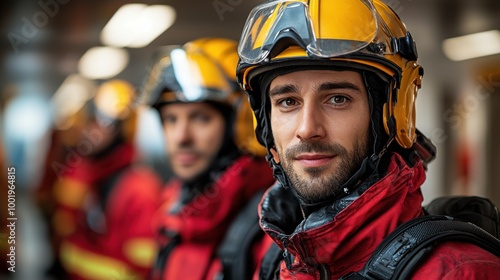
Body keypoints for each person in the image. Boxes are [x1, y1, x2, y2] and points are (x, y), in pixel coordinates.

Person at [235, 0, 500, 279]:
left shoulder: (459, 272)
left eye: (338, 99)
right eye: (288, 102)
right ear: (264, 124)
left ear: (392, 115)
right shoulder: (280, 261)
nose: (307, 128)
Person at [139, 37, 275, 280]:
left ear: (240, 124)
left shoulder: (273, 225)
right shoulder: (171, 205)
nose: (181, 137)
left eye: (201, 118)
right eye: (171, 119)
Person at [54, 79, 164, 279]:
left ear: (122, 130)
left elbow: (139, 271)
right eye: (87, 122)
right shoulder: (95, 176)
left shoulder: (139, 190)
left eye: (99, 123)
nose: (87, 131)